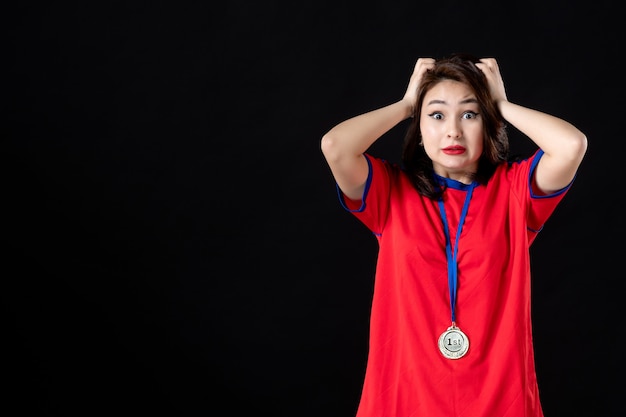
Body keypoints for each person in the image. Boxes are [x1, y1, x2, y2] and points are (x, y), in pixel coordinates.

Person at [320, 53, 587, 417]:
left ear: (487, 122)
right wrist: (405, 104)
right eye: (437, 114)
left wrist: (502, 104)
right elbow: (336, 146)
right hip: (403, 403)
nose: (453, 131)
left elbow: (571, 145)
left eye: (470, 114)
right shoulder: (390, 193)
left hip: (500, 405)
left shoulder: (515, 191)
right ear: (419, 125)